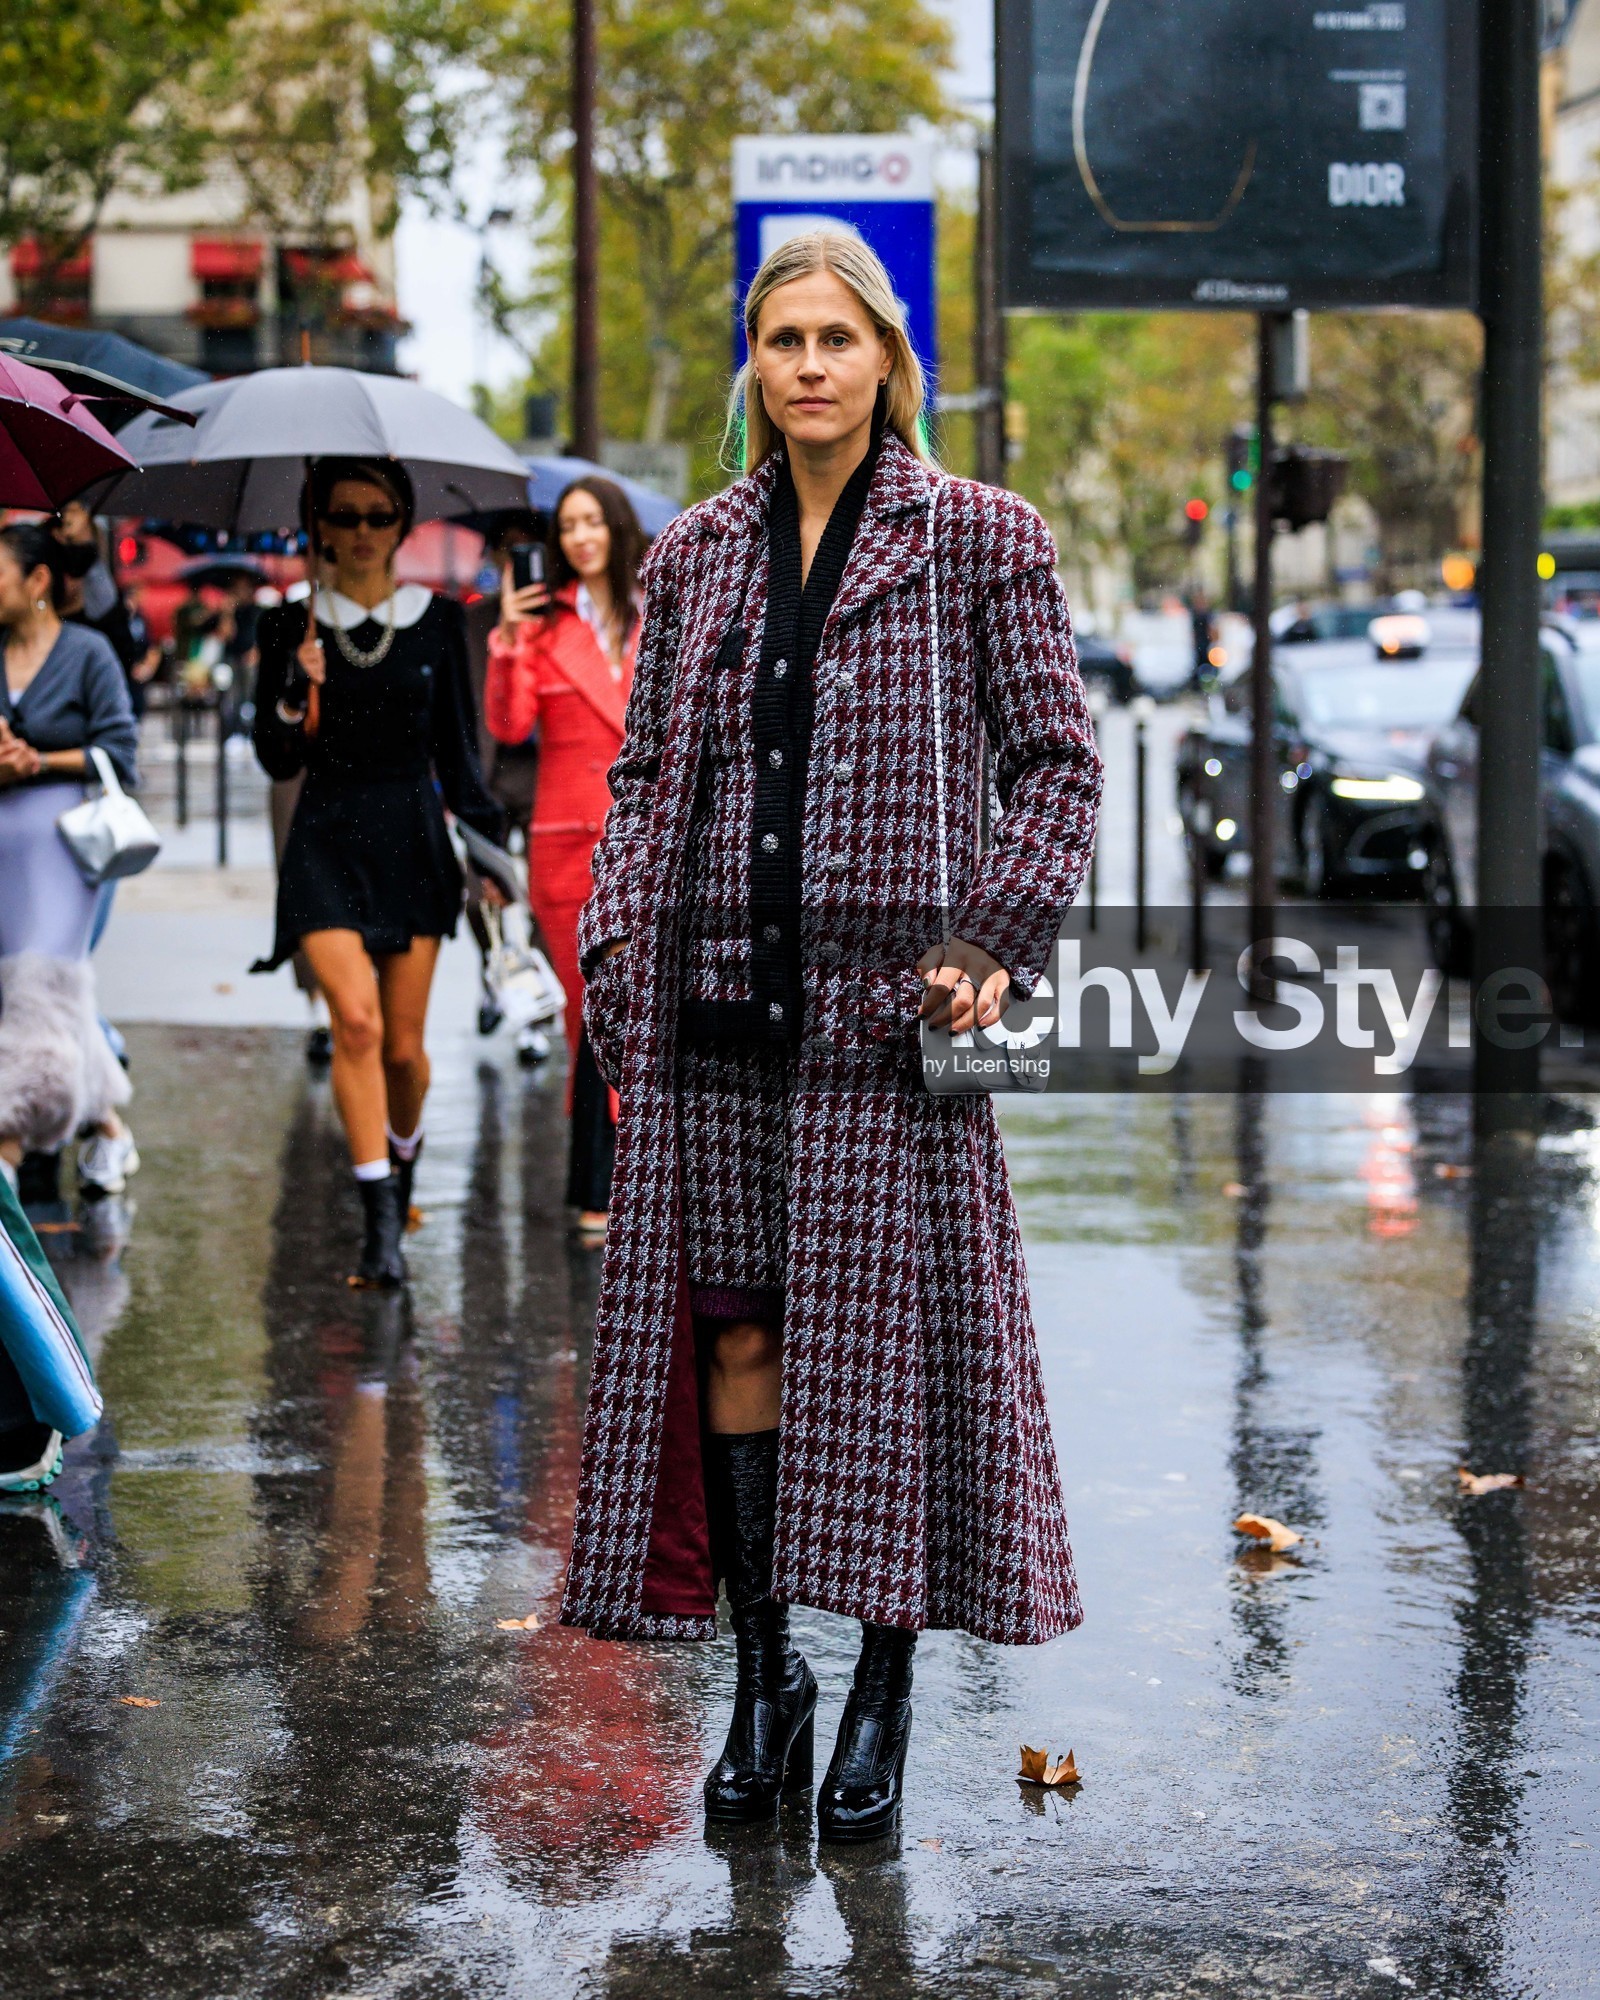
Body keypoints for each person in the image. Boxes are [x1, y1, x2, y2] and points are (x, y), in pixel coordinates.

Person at [562, 232, 1102, 1841]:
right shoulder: (696, 554)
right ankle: (762, 1681)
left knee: (882, 1361)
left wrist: (993, 938)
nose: (807, 365)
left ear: (887, 357)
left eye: (835, 339)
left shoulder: (981, 538)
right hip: (713, 998)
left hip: (901, 1015)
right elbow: (651, 775)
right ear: (756, 360)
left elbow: (1060, 767)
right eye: (781, 339)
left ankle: (879, 1692)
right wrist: (611, 940)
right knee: (737, 1336)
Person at [250, 458, 507, 1287]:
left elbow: (460, 755)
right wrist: (296, 688)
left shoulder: (437, 620)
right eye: (346, 516)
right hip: (324, 834)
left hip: (411, 837)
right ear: (319, 525)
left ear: (403, 526)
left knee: (404, 1053)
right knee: (353, 1026)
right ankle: (380, 1226)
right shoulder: (289, 622)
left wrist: (492, 855)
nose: (362, 532)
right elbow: (273, 752)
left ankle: (400, 1162)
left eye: (379, 516)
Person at [484, 477, 644, 1239]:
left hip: (649, 847)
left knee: (646, 1013)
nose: (581, 537)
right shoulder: (541, 631)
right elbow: (510, 727)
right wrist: (508, 642)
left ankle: (629, 1183)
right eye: (568, 526)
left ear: (616, 529)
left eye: (592, 522)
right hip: (566, 849)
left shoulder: (663, 616)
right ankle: (601, 1183)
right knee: (592, 1015)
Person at [0, 523, 141, 1200]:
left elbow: (122, 753)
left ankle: (6, 1141)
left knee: (41, 984)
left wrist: (40, 759)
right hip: (4, 849)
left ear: (37, 583)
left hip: (64, 847)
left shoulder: (88, 654)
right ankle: (108, 1127)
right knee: (24, 993)